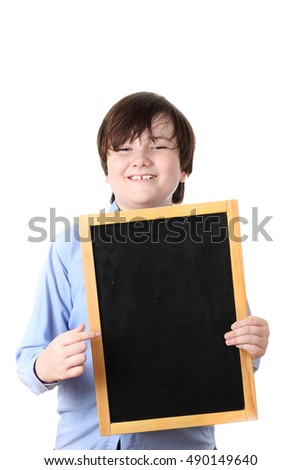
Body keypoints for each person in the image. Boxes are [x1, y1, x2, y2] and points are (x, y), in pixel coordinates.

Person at [16, 91, 269, 450]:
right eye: (123, 149)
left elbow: (233, 357)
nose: (140, 160)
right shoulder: (71, 244)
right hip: (86, 451)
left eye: (159, 146)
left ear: (184, 168)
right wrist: (46, 364)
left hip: (180, 452)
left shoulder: (211, 243)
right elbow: (29, 358)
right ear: (107, 168)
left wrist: (251, 345)